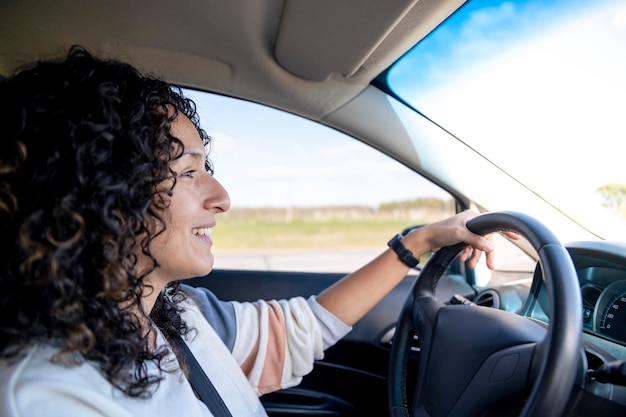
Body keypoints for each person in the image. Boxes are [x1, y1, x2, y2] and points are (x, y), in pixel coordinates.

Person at [0, 46, 503, 417]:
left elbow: (299, 329)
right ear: (101, 188)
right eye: (188, 171)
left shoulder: (174, 317)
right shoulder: (49, 395)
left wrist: (420, 242)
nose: (222, 197)